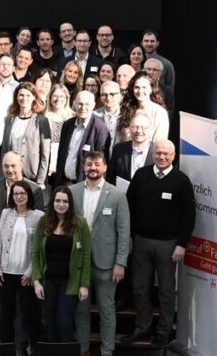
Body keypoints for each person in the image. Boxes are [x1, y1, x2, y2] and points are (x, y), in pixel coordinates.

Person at [123, 140, 196, 350]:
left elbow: (189, 216)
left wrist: (181, 244)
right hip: (141, 242)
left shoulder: (181, 181)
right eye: (158, 153)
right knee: (140, 288)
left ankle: (163, 332)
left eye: (166, 154)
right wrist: (129, 235)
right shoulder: (141, 175)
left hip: (168, 245)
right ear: (153, 154)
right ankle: (142, 327)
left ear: (173, 155)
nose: (162, 157)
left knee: (166, 291)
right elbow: (129, 206)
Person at [69, 151, 131, 356]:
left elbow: (124, 231)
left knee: (107, 309)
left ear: (104, 167)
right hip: (79, 261)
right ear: (83, 167)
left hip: (107, 263)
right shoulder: (73, 192)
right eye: (89, 164)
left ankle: (107, 350)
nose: (93, 168)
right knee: (81, 309)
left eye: (97, 164)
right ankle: (83, 349)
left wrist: (120, 262)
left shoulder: (117, 195)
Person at [33, 187, 91, 343]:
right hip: (49, 282)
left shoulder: (80, 223)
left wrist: (84, 285)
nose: (61, 204)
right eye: (57, 200)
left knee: (64, 322)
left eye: (65, 201)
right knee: (50, 323)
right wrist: (36, 281)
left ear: (70, 204)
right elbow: (36, 253)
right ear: (52, 202)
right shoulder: (43, 222)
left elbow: (86, 255)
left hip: (70, 282)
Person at [0, 179, 44, 355]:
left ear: (28, 195)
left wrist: (30, 272)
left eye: (23, 193)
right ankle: (6, 348)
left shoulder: (38, 216)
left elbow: (39, 248)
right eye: (16, 194)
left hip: (25, 275)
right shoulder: (6, 213)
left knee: (29, 313)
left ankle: (32, 347)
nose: (19, 196)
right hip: (6, 272)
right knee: (6, 313)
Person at [1, 82, 52, 188]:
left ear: (34, 97)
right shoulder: (9, 119)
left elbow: (45, 154)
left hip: (31, 176)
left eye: (28, 95)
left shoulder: (41, 121)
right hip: (11, 174)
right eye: (21, 95)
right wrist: (3, 177)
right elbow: (4, 150)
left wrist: (40, 181)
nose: (24, 98)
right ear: (16, 97)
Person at [55, 90, 111, 186]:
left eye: (87, 104)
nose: (83, 108)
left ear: (93, 105)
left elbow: (101, 164)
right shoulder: (67, 125)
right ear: (75, 104)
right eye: (80, 104)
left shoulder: (100, 129)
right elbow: (61, 155)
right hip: (64, 183)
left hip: (85, 186)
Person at [116, 72, 169, 143]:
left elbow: (160, 142)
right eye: (137, 87)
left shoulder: (159, 112)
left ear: (151, 89)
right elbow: (121, 138)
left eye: (144, 87)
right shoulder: (127, 109)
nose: (140, 91)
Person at [109, 112, 155, 184]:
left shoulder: (158, 152)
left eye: (144, 127)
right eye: (135, 127)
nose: (139, 131)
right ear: (129, 129)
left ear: (151, 130)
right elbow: (110, 179)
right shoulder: (118, 149)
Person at [95, 80, 123, 147]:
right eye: (104, 95)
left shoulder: (127, 115)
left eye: (112, 94)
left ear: (119, 95)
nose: (108, 98)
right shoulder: (94, 116)